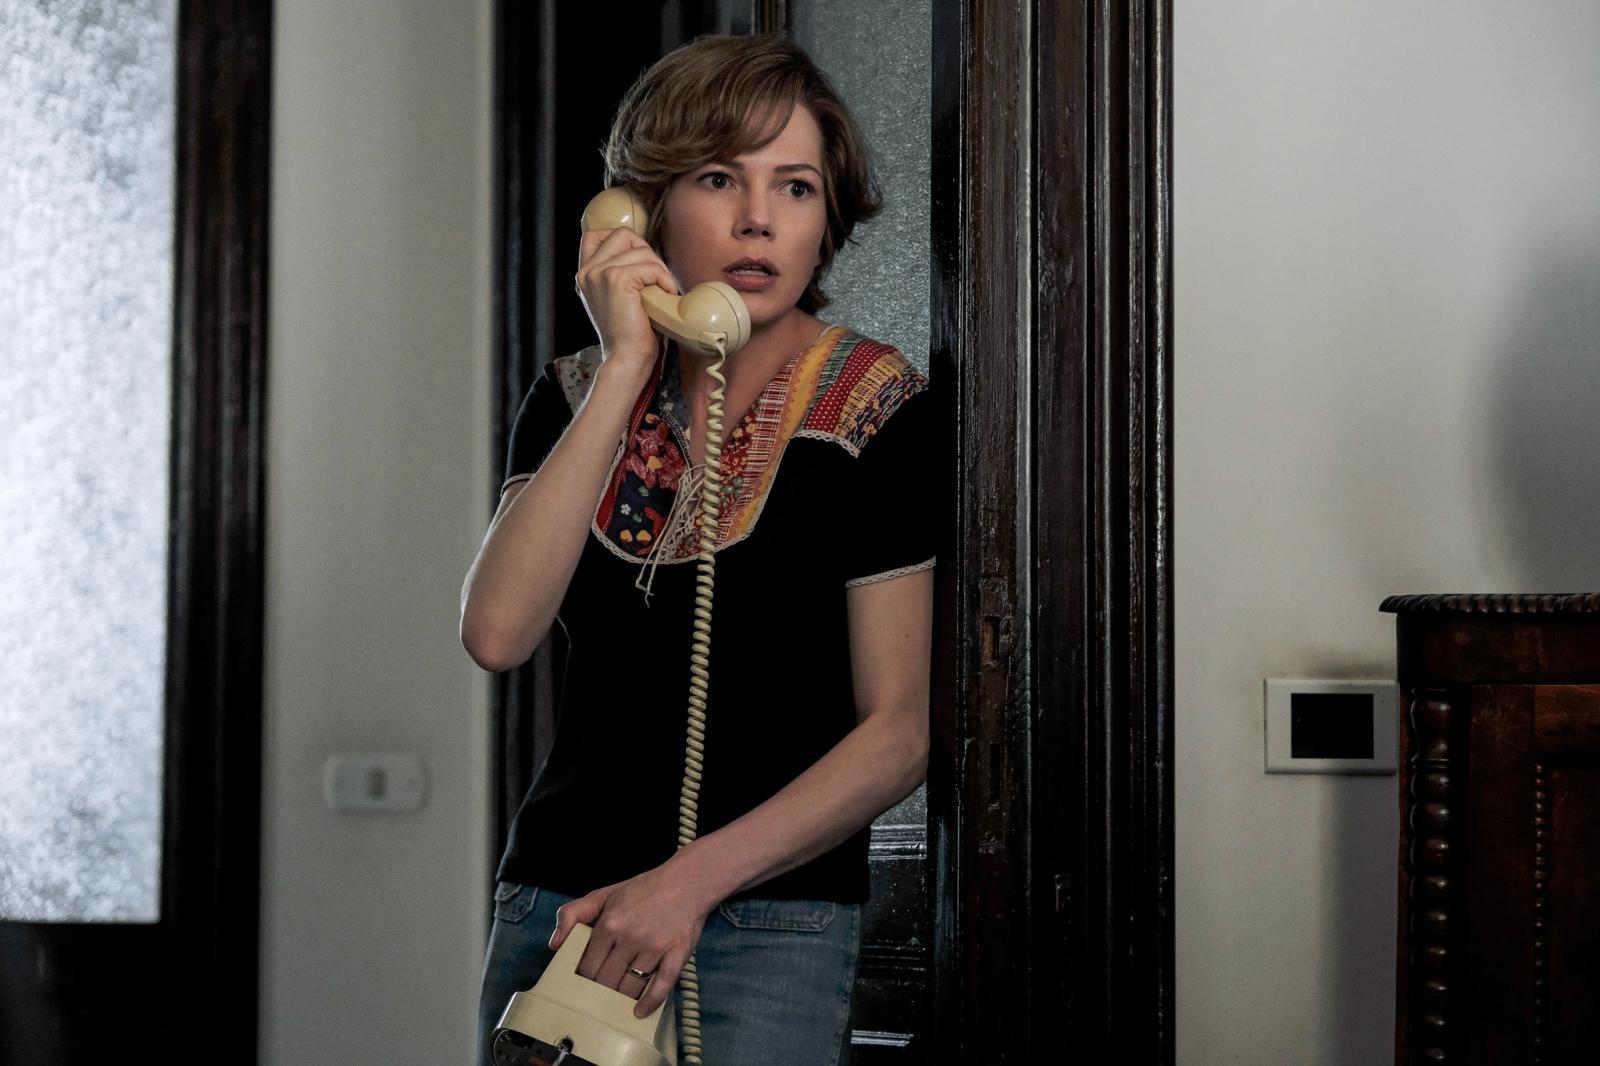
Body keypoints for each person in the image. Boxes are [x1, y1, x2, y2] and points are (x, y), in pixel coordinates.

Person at [460, 32, 937, 1066]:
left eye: (796, 187)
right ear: (643, 208)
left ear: (825, 220)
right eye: (719, 178)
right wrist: (625, 363)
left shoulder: (875, 404)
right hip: (561, 905)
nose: (758, 218)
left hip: (770, 926)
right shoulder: (571, 393)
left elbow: (899, 733)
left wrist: (683, 887)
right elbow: (497, 633)